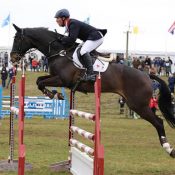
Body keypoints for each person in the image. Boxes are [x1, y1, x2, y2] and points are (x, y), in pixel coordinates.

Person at [54, 9, 107, 81]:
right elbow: (70, 41)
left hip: (96, 37)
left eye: (57, 18)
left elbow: (72, 39)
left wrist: (61, 39)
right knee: (78, 50)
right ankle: (85, 71)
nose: (56, 20)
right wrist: (62, 40)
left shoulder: (72, 23)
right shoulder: (69, 24)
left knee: (83, 51)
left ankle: (91, 74)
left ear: (63, 18)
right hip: (91, 38)